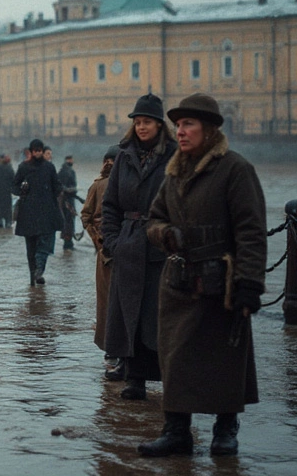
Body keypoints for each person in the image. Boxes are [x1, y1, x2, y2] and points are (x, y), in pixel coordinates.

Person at [138, 93, 266, 458]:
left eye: (188, 124)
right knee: (175, 360)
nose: (180, 131)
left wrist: (248, 283)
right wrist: (166, 235)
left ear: (208, 130)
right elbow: (154, 219)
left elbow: (251, 231)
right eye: (177, 125)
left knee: (226, 360)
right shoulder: (175, 172)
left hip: (221, 284)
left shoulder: (234, 169)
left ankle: (225, 431)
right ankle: (176, 431)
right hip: (178, 283)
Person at [101, 94, 179, 398]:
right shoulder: (124, 155)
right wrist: (113, 241)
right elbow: (110, 205)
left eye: (146, 121)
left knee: (158, 316)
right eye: (137, 122)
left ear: (159, 124)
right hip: (130, 245)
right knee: (127, 315)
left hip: (162, 244)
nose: (141, 127)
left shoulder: (174, 156)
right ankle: (134, 379)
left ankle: (170, 379)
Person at [81, 145, 120, 379]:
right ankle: (111, 350)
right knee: (107, 302)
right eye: (107, 160)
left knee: (114, 302)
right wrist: (97, 240)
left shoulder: (124, 186)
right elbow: (87, 215)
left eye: (112, 160)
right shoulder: (97, 186)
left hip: (120, 250)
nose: (108, 164)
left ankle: (117, 351)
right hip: (106, 253)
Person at [13, 139, 63, 285]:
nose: (38, 153)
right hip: (28, 213)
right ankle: (33, 276)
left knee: (45, 244)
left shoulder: (49, 167)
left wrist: (56, 195)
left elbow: (57, 186)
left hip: (46, 212)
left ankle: (39, 270)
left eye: (40, 150)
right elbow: (14, 186)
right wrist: (22, 191)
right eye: (35, 150)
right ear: (31, 151)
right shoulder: (24, 167)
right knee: (31, 247)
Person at [58, 155, 79, 250]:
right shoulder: (67, 171)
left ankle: (68, 242)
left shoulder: (64, 170)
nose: (72, 161)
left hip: (67, 199)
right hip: (67, 200)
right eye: (71, 159)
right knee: (69, 220)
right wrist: (71, 190)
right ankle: (68, 243)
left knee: (68, 220)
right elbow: (62, 186)